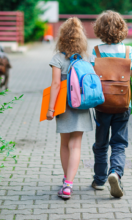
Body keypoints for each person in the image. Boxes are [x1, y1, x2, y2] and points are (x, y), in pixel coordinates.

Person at [90, 10, 132, 198]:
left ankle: (99, 180)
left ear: (100, 29)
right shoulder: (130, 51)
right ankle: (116, 173)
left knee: (101, 143)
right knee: (119, 143)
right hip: (122, 104)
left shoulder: (95, 51)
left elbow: (91, 79)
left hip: (102, 104)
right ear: (122, 28)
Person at [46, 17, 93, 200]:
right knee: (76, 145)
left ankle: (66, 181)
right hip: (82, 104)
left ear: (62, 37)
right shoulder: (87, 58)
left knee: (65, 143)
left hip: (64, 106)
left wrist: (51, 109)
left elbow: (56, 84)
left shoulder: (57, 58)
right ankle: (69, 184)